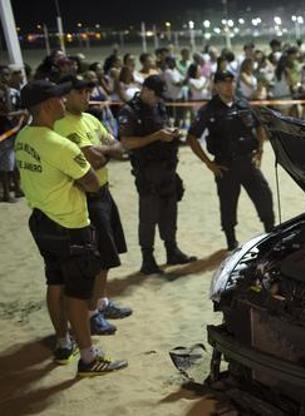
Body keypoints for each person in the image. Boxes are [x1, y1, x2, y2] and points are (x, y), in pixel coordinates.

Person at [16, 80, 127, 375]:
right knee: (77, 292)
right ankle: (89, 357)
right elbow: (91, 181)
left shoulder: (24, 137)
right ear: (49, 105)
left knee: (55, 282)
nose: (64, 103)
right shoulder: (60, 145)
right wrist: (80, 177)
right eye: (59, 99)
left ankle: (63, 342)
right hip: (70, 223)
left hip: (41, 220)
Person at [54, 75, 132, 335]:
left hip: (104, 193)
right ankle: (90, 314)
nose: (87, 97)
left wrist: (105, 151)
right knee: (96, 258)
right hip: (86, 196)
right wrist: (106, 151)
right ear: (66, 96)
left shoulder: (91, 119)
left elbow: (119, 149)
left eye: (89, 92)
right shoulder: (63, 125)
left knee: (109, 255)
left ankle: (100, 302)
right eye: (81, 93)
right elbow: (93, 159)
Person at [186, 71, 275, 250]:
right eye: (224, 82)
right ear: (216, 85)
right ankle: (230, 241)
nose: (229, 85)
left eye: (231, 82)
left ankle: (270, 234)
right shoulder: (209, 109)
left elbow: (259, 126)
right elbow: (192, 137)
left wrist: (260, 150)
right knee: (227, 204)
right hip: (225, 165)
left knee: (264, 196)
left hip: (248, 162)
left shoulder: (243, 104)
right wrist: (209, 163)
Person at [117, 75, 196, 274]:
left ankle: (172, 250)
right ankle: (147, 258)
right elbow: (126, 142)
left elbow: (162, 128)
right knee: (148, 216)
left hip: (167, 168)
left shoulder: (158, 106)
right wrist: (157, 136)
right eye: (157, 95)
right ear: (146, 90)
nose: (159, 99)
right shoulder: (130, 110)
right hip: (147, 171)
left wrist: (170, 134)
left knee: (169, 211)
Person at [0, 65, 23, 202]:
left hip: (15, 130)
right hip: (3, 132)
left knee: (15, 162)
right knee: (5, 164)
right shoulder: (6, 92)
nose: (5, 78)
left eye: (7, 75)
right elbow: (7, 113)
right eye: (3, 75)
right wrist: (6, 93)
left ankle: (18, 188)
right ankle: (6, 193)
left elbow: (17, 109)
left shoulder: (14, 92)